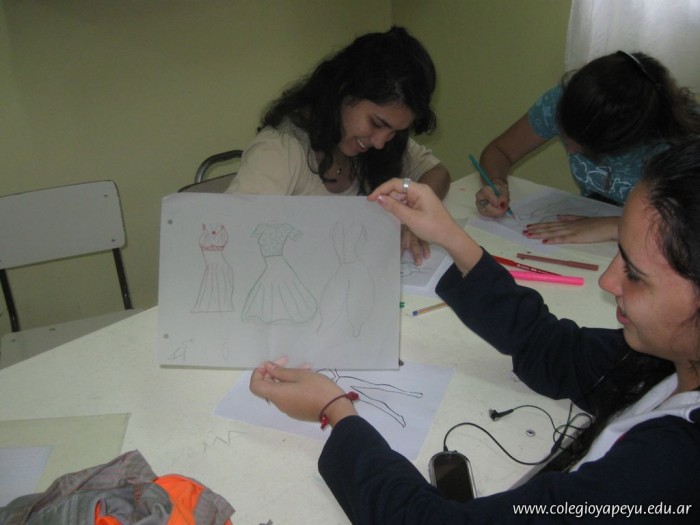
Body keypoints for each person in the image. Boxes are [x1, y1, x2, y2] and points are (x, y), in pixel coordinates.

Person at [250, 139, 700, 523]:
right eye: (618, 253)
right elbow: (556, 351)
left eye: (635, 274)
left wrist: (336, 411)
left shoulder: (667, 470)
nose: (608, 280)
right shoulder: (669, 362)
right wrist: (451, 237)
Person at [225, 26, 450, 265]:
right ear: (344, 90)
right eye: (376, 123)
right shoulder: (280, 149)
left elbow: (437, 173)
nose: (380, 142)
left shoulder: (377, 140)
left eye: (395, 131)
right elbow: (233, 234)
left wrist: (413, 219)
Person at [475, 51, 700, 245]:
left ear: (628, 139)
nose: (571, 150)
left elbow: (691, 226)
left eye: (586, 147)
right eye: (566, 135)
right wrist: (496, 183)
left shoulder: (682, 142)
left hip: (654, 244)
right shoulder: (566, 103)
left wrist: (616, 226)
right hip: (592, 229)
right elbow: (500, 151)